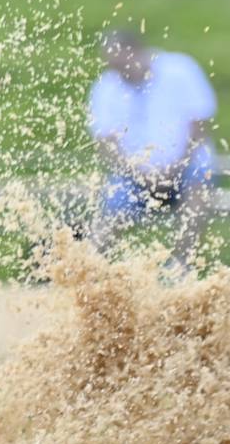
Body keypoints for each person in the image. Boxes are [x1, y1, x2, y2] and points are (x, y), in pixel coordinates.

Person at [87, 29, 217, 270]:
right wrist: (137, 172)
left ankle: (182, 264)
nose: (119, 72)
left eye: (120, 64)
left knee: (199, 179)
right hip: (135, 175)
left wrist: (176, 166)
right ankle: (90, 270)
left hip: (186, 167)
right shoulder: (106, 86)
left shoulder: (180, 70)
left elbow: (198, 127)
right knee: (112, 207)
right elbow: (107, 144)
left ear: (135, 51)